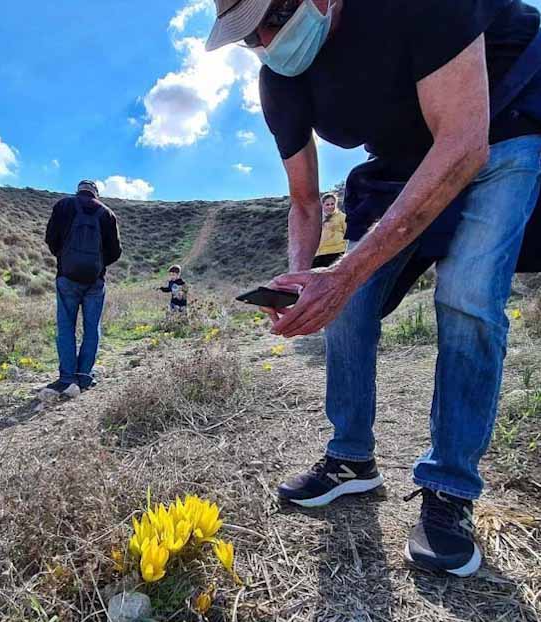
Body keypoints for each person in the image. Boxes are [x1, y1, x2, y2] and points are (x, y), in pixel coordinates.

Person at [206, 0, 541, 576]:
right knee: (349, 302)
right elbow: (305, 200)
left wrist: (341, 275)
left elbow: (463, 145)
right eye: (248, 36)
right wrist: (301, 276)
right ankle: (351, 459)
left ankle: (450, 490)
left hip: (501, 119)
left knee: (467, 294)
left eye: (273, 20)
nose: (264, 41)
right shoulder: (280, 82)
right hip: (404, 159)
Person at [44, 180, 121, 395]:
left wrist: (64, 257)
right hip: (95, 282)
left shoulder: (63, 206)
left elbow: (50, 238)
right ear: (96, 193)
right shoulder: (107, 214)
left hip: (67, 277)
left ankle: (67, 379)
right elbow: (115, 251)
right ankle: (85, 377)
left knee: (66, 327)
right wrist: (98, 264)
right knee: (92, 328)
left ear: (78, 191)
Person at [314, 192, 345, 268]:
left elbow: (349, 234)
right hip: (319, 254)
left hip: (338, 252)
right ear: (322, 205)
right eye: (327, 204)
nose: (330, 206)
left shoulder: (342, 217)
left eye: (332, 204)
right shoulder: (317, 219)